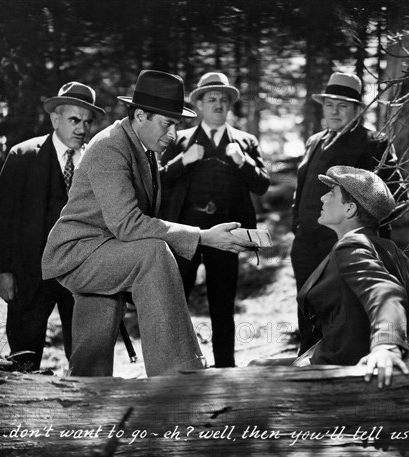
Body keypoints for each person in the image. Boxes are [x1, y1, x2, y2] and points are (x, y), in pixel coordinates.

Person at [41, 70, 257, 377]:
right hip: (78, 254)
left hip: (106, 251)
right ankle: (179, 375)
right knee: (154, 255)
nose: (172, 133)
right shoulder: (110, 147)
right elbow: (128, 225)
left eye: (175, 125)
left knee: (93, 348)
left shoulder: (142, 148)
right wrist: (203, 237)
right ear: (140, 115)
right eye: (166, 123)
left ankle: (85, 396)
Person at [253, 166, 409, 389]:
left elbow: (384, 291)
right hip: (345, 365)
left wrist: (387, 346)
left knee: (252, 374)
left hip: (340, 378)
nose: (322, 197)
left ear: (349, 210)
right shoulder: (395, 253)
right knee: (257, 364)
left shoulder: (351, 247)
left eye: (332, 193)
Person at [0, 81, 105, 370]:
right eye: (74, 120)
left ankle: (84, 410)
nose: (82, 128)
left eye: (87, 122)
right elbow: (0, 217)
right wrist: (3, 270)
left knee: (85, 354)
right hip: (30, 276)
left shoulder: (97, 162)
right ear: (55, 119)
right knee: (23, 356)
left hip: (80, 276)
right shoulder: (24, 156)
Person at [291, 72, 406, 354]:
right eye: (329, 104)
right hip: (306, 246)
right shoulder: (315, 141)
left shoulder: (373, 142)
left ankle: (342, 378)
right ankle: (305, 377)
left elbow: (397, 198)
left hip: (344, 248)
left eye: (343, 105)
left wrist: (364, 239)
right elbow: (302, 188)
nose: (334, 111)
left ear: (357, 110)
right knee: (308, 313)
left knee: (342, 322)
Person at [160, 72, 270, 367]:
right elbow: (159, 180)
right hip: (185, 234)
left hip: (226, 236)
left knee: (223, 304)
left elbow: (262, 184)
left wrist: (242, 161)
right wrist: (183, 160)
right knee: (176, 300)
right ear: (198, 104)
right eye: (211, 99)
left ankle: (225, 369)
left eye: (224, 100)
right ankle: (176, 364)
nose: (218, 104)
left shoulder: (245, 142)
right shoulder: (179, 141)